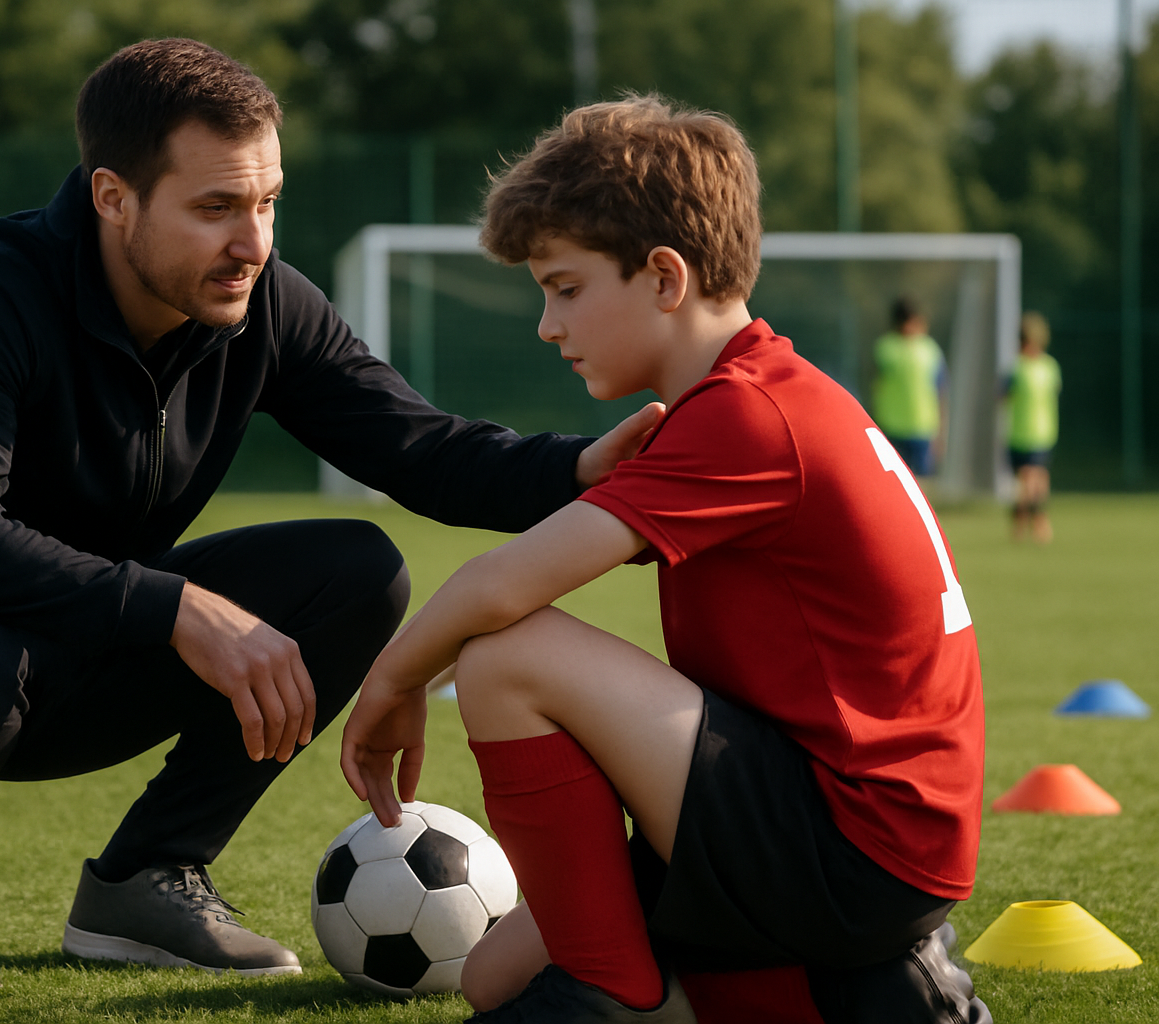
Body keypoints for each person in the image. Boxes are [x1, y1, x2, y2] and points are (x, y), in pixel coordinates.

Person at [0, 39, 657, 996]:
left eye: (267, 202)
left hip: (84, 654)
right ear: (113, 198)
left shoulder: (262, 305)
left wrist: (578, 471)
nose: (254, 242)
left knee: (358, 574)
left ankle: (148, 875)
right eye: (216, 209)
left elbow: (421, 448)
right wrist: (175, 608)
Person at [340, 95, 990, 1024]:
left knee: (506, 653)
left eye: (566, 288)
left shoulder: (748, 414)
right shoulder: (758, 394)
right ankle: (864, 994)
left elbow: (500, 584)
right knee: (493, 978)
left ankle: (614, 999)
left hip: (855, 843)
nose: (547, 325)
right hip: (849, 833)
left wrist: (393, 683)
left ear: (663, 277)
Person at [872, 296, 947, 479]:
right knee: (894, 479)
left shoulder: (930, 350)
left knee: (921, 480)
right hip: (891, 427)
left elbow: (941, 391)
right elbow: (876, 386)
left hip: (923, 426)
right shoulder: (886, 349)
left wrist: (941, 431)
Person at [1006, 312, 1060, 542]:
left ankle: (1031, 519)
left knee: (1037, 480)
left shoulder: (1048, 367)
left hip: (1042, 433)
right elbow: (1004, 395)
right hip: (1020, 434)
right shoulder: (1017, 368)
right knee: (1028, 481)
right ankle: (1029, 519)